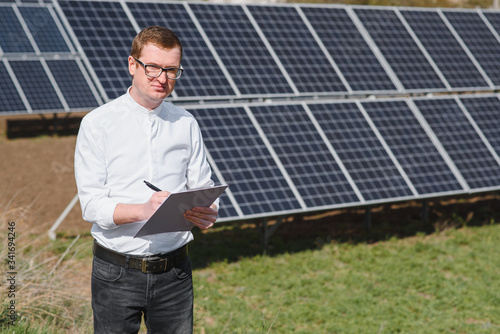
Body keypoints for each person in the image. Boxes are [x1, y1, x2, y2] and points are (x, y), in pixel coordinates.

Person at [74, 26, 219, 333]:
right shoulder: (98, 124)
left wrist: (208, 212)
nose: (162, 78)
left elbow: (203, 187)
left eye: (171, 70)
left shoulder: (186, 123)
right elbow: (92, 205)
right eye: (152, 67)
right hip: (116, 271)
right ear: (132, 65)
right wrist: (143, 210)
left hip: (176, 272)